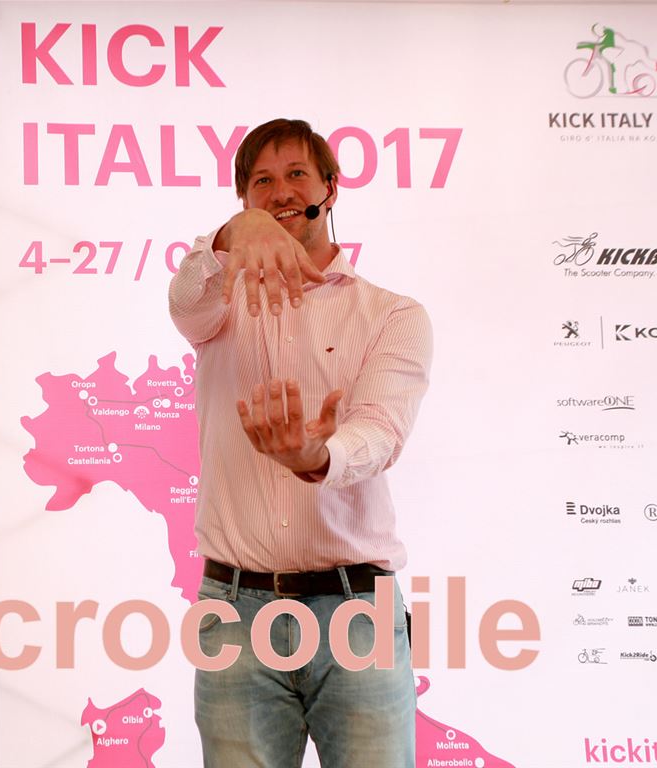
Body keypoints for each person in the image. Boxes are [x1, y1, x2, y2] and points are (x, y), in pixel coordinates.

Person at [169, 119, 432, 768]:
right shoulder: (220, 302)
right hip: (235, 611)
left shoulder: (392, 315)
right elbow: (184, 295)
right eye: (262, 181)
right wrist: (235, 235)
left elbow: (379, 431)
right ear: (244, 198)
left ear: (331, 190)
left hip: (357, 610)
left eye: (296, 176)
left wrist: (316, 456)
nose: (281, 191)